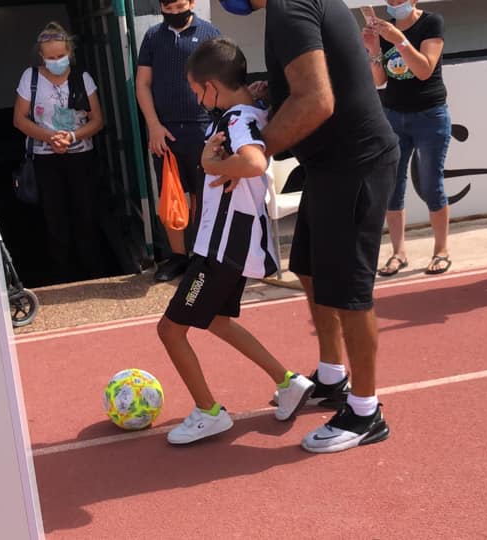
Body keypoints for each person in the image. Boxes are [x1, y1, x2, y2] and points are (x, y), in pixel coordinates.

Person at [218, 0, 401, 453]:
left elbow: (316, 100)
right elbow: (310, 83)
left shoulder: (288, 6)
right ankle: (334, 377)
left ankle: (365, 412)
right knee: (309, 268)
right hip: (328, 166)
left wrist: (253, 151)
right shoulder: (289, 7)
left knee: (349, 293)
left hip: (354, 164)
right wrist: (271, 97)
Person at [157, 37, 315, 445]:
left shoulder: (235, 120)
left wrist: (212, 164)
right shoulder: (247, 112)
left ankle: (209, 412)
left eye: (197, 91)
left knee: (170, 331)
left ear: (212, 86)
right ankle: (288, 382)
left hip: (221, 246)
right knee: (215, 320)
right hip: (229, 243)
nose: (196, 99)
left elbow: (254, 162)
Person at [363, 0, 453, 276]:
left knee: (431, 184)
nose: (394, 3)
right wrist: (374, 49)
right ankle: (398, 252)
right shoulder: (387, 29)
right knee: (392, 186)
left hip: (429, 115)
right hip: (394, 115)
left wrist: (399, 40)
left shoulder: (431, 22)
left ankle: (441, 250)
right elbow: (379, 79)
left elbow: (424, 70)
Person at [13, 22, 106, 283]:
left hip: (80, 155)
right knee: (55, 218)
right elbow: (19, 119)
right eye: (51, 58)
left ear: (70, 53)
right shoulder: (30, 78)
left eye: (61, 56)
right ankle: (62, 276)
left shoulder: (82, 78)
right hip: (45, 158)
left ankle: (94, 273)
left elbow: (97, 121)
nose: (56, 61)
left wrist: (71, 136)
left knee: (85, 213)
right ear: (41, 56)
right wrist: (50, 137)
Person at [136, 0, 221, 282]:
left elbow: (222, 80)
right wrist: (153, 126)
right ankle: (177, 256)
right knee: (170, 194)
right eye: (168, 9)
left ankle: (201, 254)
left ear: (192, 3)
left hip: (201, 126)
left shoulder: (210, 33)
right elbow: (142, 84)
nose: (175, 13)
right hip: (165, 131)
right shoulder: (153, 37)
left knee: (202, 193)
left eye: (180, 6)